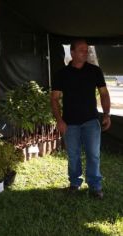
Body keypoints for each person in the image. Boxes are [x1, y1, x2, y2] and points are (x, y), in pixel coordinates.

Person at [50, 39, 111, 199]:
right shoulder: (61, 74)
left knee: (93, 154)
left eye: (87, 50)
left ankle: (95, 187)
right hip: (70, 122)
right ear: (72, 53)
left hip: (91, 120)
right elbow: (54, 98)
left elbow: (104, 93)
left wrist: (106, 114)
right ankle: (75, 183)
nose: (86, 53)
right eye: (82, 50)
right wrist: (59, 120)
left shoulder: (95, 71)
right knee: (73, 155)